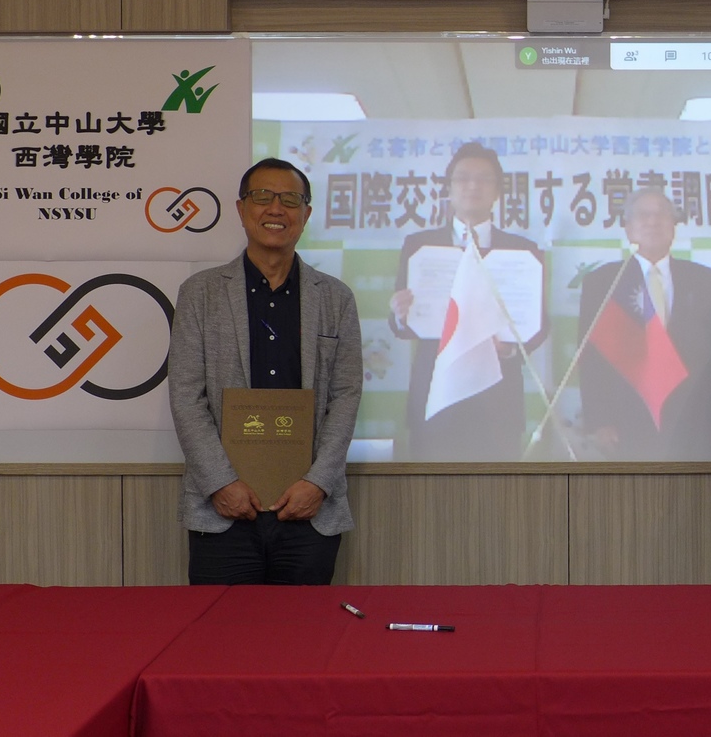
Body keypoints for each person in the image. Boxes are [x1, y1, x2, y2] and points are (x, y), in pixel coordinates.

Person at [169, 157, 363, 585]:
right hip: (223, 514)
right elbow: (186, 396)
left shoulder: (335, 299)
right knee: (221, 641)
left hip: (308, 513)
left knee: (304, 642)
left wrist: (317, 483)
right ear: (241, 209)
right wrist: (221, 483)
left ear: (306, 214)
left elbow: (346, 396)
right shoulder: (200, 294)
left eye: (290, 200)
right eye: (262, 197)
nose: (276, 209)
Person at [388, 142, 548, 461]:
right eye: (463, 178)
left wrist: (511, 347)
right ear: (449, 189)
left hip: (497, 401)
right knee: (431, 502)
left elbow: (540, 325)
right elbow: (403, 327)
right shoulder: (419, 246)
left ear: (498, 192)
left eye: (484, 179)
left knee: (499, 501)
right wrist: (400, 314)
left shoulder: (524, 252)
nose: (473, 186)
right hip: (436, 396)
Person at [578, 188, 711, 460]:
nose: (653, 221)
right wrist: (600, 421)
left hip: (694, 418)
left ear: (673, 226)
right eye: (643, 215)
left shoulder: (704, 280)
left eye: (661, 214)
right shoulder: (602, 283)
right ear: (628, 228)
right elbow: (590, 358)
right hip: (626, 420)